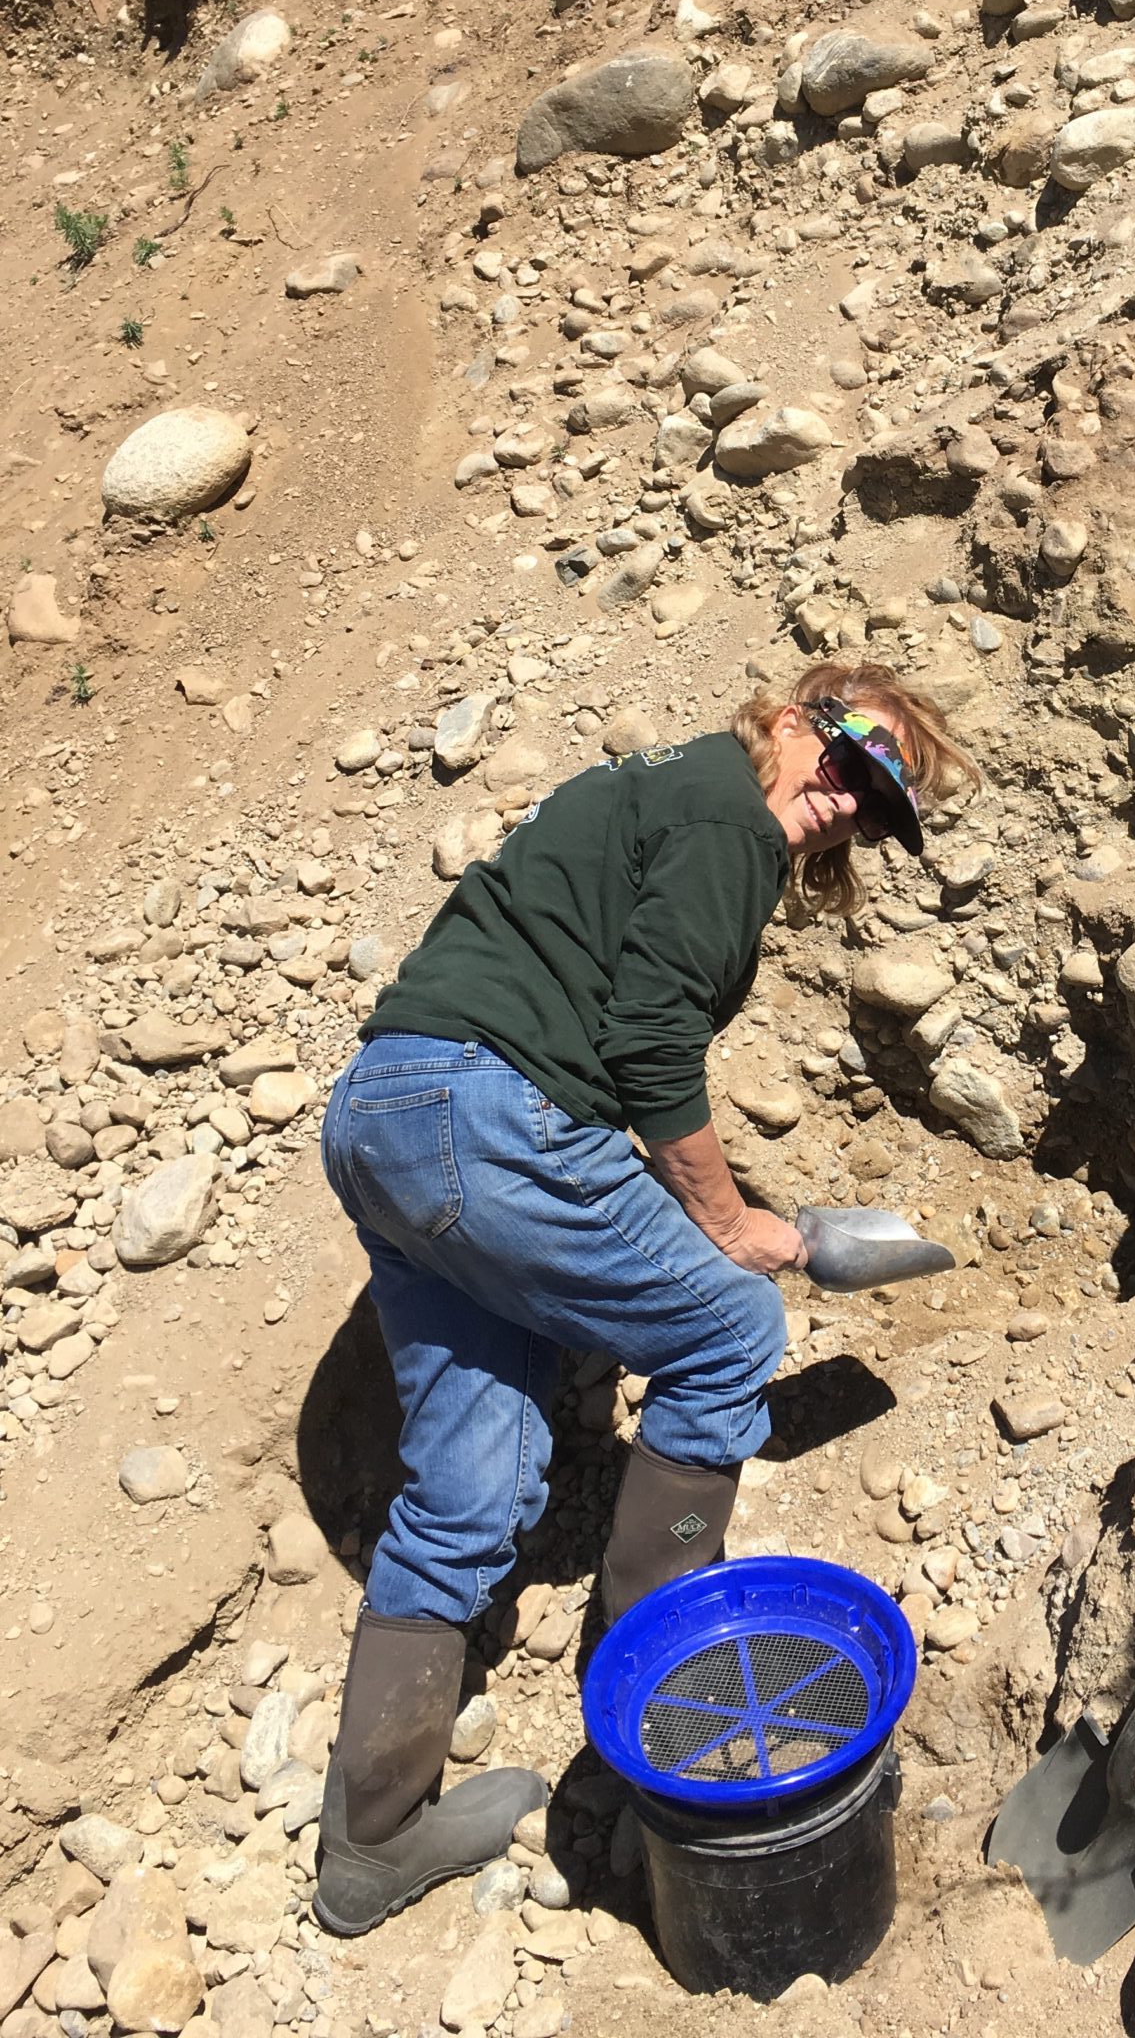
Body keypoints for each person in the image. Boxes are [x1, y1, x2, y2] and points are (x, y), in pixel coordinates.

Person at [312, 659, 976, 1936]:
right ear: (790, 719)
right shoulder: (727, 814)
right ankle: (666, 1690)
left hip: (386, 1116)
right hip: (483, 1109)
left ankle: (371, 1844)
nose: (847, 802)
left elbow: (610, 1017)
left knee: (467, 1491)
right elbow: (651, 1041)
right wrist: (726, 1224)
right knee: (731, 1327)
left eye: (878, 805)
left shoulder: (667, 796)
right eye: (845, 761)